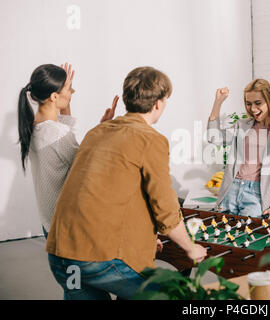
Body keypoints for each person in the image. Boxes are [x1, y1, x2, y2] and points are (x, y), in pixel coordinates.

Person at [46, 66, 207, 300]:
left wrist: (143, 240)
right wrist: (190, 247)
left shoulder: (97, 131)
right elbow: (165, 206)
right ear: (159, 103)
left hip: (62, 255)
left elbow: (108, 192)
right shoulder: (151, 139)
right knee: (179, 296)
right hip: (99, 260)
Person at [17, 63, 117, 239]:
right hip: (65, 224)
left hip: (48, 222)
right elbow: (87, 164)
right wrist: (105, 128)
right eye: (69, 89)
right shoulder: (57, 134)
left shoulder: (34, 128)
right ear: (54, 97)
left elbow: (64, 132)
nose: (72, 93)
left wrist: (66, 96)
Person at [207, 79, 270, 219]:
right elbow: (214, 137)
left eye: (258, 103)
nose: (253, 109)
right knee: (222, 236)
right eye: (249, 104)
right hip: (231, 188)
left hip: (257, 194)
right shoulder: (242, 124)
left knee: (248, 237)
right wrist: (218, 102)